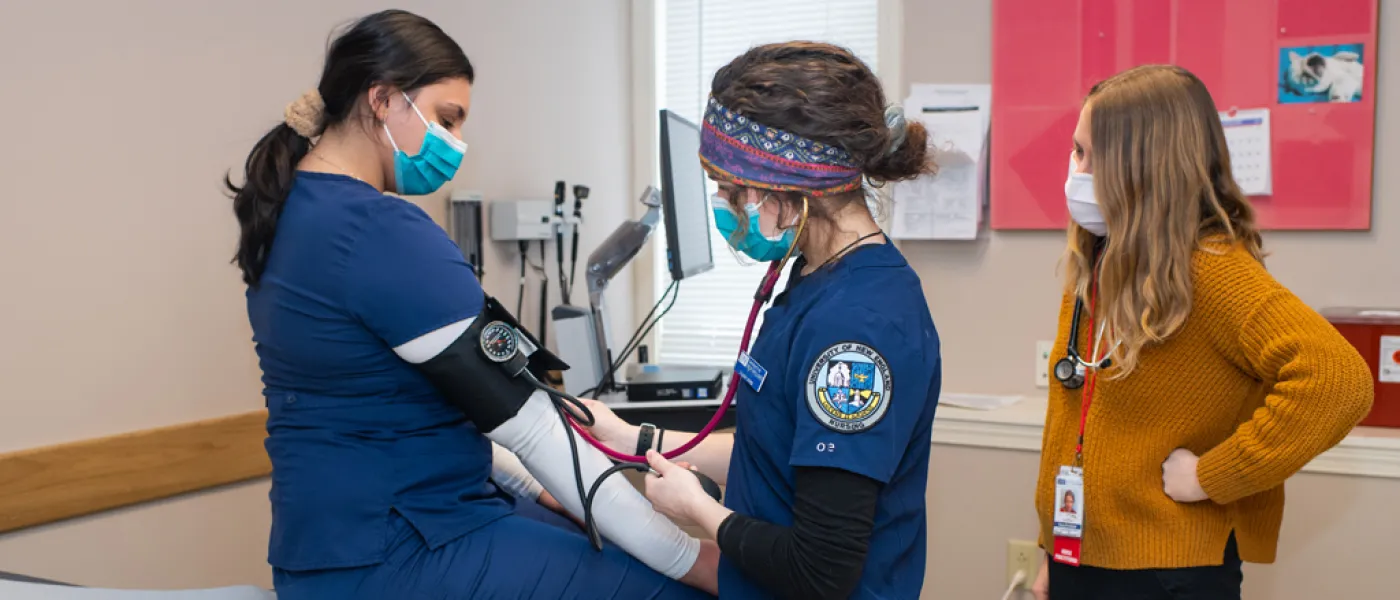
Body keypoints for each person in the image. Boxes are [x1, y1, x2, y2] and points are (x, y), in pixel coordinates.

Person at [228, 10, 716, 599]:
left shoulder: (289, 213)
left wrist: (545, 496)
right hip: (405, 549)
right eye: (446, 118)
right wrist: (695, 560)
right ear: (382, 99)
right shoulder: (380, 231)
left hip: (327, 553)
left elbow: (428, 412)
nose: (456, 145)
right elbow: (534, 430)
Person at [581, 42, 942, 599]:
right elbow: (776, 455)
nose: (724, 205)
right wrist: (632, 436)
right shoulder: (815, 278)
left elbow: (821, 571)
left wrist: (695, 507)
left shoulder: (857, 329)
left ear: (788, 187)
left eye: (730, 189)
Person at [1030, 64, 1374, 600]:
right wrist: (1053, 548)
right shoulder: (1104, 260)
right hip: (1085, 557)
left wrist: (1212, 476)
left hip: (1168, 574)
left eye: (1094, 159)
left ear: (1143, 170)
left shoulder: (1213, 271)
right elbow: (1075, 420)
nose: (1076, 172)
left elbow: (1337, 380)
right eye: (1078, 152)